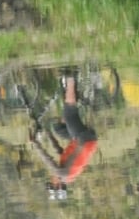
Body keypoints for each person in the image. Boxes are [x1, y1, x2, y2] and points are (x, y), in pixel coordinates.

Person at [29, 71, 98, 199]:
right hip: (83, 140)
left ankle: (70, 93)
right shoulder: (63, 174)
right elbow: (48, 159)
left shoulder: (68, 173)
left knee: (58, 129)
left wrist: (48, 133)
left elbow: (59, 150)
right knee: (69, 114)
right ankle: (70, 79)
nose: (51, 179)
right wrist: (35, 144)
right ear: (59, 185)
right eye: (52, 183)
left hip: (85, 141)